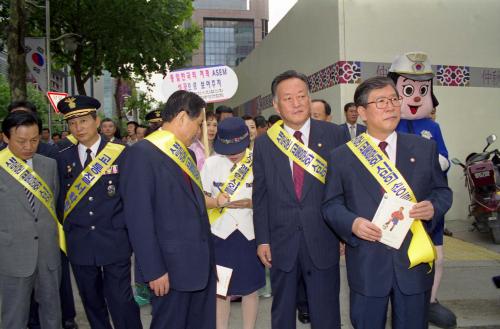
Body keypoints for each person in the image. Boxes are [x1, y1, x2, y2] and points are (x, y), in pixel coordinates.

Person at [322, 76, 452, 329]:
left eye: (394, 99)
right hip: (367, 264)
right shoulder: (342, 156)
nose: (391, 106)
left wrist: (433, 207)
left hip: (413, 262)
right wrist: (353, 223)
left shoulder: (424, 148)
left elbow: (442, 192)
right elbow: (331, 205)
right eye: (381, 101)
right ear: (361, 112)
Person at [253, 70, 344, 329]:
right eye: (288, 98)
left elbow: (342, 189)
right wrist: (262, 239)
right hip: (281, 241)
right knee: (282, 312)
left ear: (309, 97)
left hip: (323, 237)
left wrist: (343, 233)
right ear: (276, 104)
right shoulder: (264, 144)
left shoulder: (334, 135)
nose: (296, 103)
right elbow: (259, 196)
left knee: (326, 312)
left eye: (301, 96)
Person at [120, 90, 215, 329]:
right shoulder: (141, 154)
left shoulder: (189, 155)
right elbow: (139, 219)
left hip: (199, 264)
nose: (199, 130)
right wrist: (154, 270)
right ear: (182, 117)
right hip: (168, 271)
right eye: (199, 123)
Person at [56, 95, 142, 329]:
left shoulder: (122, 153)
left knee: (121, 301)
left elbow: (132, 198)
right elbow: (60, 202)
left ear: (96, 121)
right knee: (92, 304)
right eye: (72, 123)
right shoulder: (63, 158)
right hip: (80, 244)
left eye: (83, 121)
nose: (78, 128)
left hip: (114, 241)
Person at [388, 51, 455, 328]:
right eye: (408, 89)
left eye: (422, 90)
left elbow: (445, 159)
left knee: (436, 256)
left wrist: (437, 160)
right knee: (397, 259)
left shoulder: (433, 126)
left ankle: (430, 302)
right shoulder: (390, 124)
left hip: (428, 205)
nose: (416, 96)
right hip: (397, 206)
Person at [201, 117, 265, 329]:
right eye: (229, 149)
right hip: (221, 237)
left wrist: (252, 202)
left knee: (250, 289)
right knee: (222, 291)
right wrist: (215, 201)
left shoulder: (258, 160)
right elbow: (201, 198)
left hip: (250, 236)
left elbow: (271, 196)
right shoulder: (211, 163)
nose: (234, 154)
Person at [0, 111, 61, 329]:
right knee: (14, 316)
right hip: (12, 255)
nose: (29, 146)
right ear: (5, 137)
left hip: (47, 253)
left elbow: (52, 204)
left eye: (34, 140)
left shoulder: (49, 165)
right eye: (21, 141)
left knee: (52, 314)